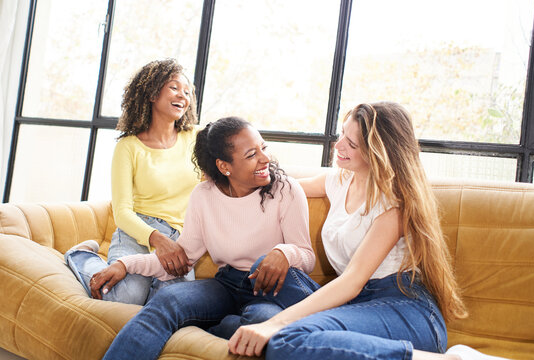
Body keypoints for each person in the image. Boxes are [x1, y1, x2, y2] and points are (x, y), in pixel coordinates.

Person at [228, 102, 503, 360]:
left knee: (287, 340)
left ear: (379, 152)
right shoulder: (339, 180)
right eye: (342, 135)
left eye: (352, 144)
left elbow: (353, 281)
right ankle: (254, 324)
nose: (338, 146)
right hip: (354, 304)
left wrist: (273, 324)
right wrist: (230, 172)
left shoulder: (394, 203)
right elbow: (282, 184)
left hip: (403, 308)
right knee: (265, 268)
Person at [101, 116, 318, 359]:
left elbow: (307, 258)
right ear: (225, 167)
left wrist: (285, 253)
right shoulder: (203, 196)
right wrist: (124, 264)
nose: (265, 158)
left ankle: (224, 326)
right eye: (251, 155)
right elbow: (180, 260)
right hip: (226, 283)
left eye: (263, 148)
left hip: (268, 289)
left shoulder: (285, 190)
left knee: (261, 322)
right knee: (167, 300)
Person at [64, 58, 199, 305]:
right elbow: (122, 211)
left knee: (173, 302)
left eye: (188, 91)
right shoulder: (128, 147)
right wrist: (157, 239)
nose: (183, 95)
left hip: (181, 237)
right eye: (174, 88)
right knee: (127, 297)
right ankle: (82, 256)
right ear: (151, 94)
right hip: (138, 232)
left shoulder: (196, 138)